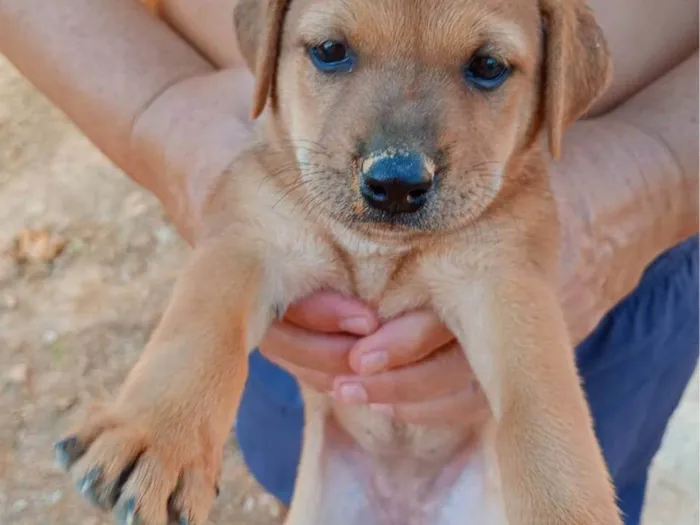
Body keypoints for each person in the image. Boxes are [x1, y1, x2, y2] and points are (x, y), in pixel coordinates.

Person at [0, 0, 697, 523]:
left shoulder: (505, 208)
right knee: (278, 441)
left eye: (485, 67)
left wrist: (658, 166)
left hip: (619, 280)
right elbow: (240, 258)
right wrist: (159, 113)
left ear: (560, 77)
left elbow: (534, 392)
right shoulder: (282, 178)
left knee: (594, 441)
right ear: (271, 42)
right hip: (331, 431)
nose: (400, 158)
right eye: (333, 51)